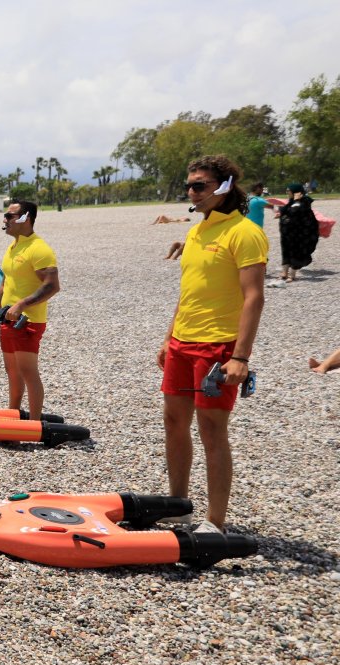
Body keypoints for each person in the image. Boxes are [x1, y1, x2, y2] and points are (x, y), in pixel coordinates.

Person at [157, 155, 266, 534]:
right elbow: (189, 290)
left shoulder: (245, 232)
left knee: (211, 430)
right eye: (189, 185)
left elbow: (254, 297)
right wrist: (169, 337)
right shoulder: (197, 231)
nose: (192, 192)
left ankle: (214, 523)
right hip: (182, 344)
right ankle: (178, 506)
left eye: (199, 185)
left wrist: (241, 356)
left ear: (224, 186)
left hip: (218, 347)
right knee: (173, 422)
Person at [0, 200, 60, 422]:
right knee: (13, 374)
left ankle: (35, 424)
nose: (5, 220)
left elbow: (52, 285)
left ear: (26, 219)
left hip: (27, 322)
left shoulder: (39, 248)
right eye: (5, 215)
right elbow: (4, 283)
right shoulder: (13, 246)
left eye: (10, 216)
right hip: (7, 320)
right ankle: (13, 418)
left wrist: (21, 305)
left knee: (28, 373)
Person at [276, 183, 319, 282]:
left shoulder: (304, 203)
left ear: (295, 192)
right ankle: (284, 273)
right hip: (287, 233)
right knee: (285, 251)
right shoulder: (291, 202)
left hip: (298, 234)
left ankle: (292, 275)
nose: (287, 192)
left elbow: (295, 212)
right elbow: (285, 210)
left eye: (288, 190)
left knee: (296, 252)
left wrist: (295, 201)